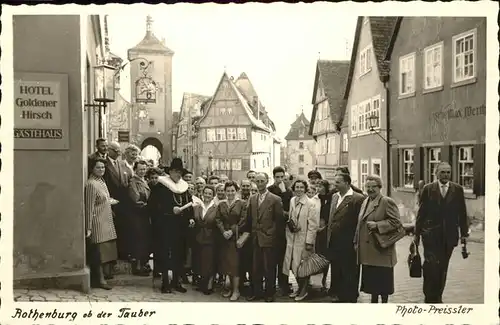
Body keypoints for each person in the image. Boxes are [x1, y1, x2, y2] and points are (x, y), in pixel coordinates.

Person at [414, 162, 469, 303]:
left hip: (449, 237)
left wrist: (464, 235)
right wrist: (417, 235)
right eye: (443, 172)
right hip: (430, 236)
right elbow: (421, 213)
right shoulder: (428, 189)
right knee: (430, 267)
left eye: (448, 172)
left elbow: (462, 214)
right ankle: (429, 296)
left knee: (442, 268)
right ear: (436, 173)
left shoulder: (457, 190)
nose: (445, 175)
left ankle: (438, 296)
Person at [148, 158, 193, 294]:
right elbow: (152, 206)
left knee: (179, 254)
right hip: (165, 226)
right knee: (165, 254)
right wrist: (168, 211)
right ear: (170, 172)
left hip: (180, 227)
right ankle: (165, 283)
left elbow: (189, 203)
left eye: (180, 172)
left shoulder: (184, 187)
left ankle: (176, 281)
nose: (178, 175)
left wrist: (190, 217)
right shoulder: (160, 186)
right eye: (175, 172)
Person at [355, 175, 402, 303]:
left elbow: (396, 222)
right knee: (372, 283)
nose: (370, 189)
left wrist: (378, 225)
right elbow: (360, 224)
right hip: (368, 250)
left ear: (380, 187)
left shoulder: (386, 201)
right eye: (367, 186)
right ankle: (374, 303)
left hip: (381, 249)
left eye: (373, 187)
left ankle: (384, 305)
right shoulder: (366, 201)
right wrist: (356, 241)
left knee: (383, 283)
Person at [245, 172, 285, 302]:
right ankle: (257, 292)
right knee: (256, 267)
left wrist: (271, 234)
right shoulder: (252, 199)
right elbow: (249, 220)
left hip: (269, 239)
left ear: (267, 181)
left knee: (269, 268)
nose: (260, 183)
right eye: (258, 181)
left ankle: (269, 293)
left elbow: (279, 221)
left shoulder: (275, 199)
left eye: (262, 181)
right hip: (255, 238)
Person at [327, 173, 364, 303]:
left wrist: (356, 241)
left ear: (347, 183)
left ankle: (351, 295)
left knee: (349, 270)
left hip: (349, 242)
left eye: (338, 182)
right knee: (337, 269)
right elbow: (331, 218)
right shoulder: (334, 197)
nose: (335, 184)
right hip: (334, 241)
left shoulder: (357, 199)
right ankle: (339, 294)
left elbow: (360, 223)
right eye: (335, 181)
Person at [282, 179, 319, 301]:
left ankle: (304, 291)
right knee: (293, 265)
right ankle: (299, 288)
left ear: (305, 189)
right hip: (292, 237)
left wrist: (309, 242)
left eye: (301, 187)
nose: (299, 189)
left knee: (302, 266)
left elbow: (313, 225)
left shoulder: (310, 204)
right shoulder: (293, 200)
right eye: (297, 187)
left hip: (303, 240)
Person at [85, 158, 118, 290]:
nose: (101, 170)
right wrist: (88, 226)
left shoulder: (101, 182)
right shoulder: (91, 184)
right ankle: (100, 280)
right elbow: (89, 206)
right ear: (92, 168)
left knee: (106, 251)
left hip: (106, 220)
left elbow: (103, 199)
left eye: (103, 167)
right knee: (99, 253)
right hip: (97, 222)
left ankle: (104, 276)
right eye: (98, 167)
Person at [215, 180, 247, 301]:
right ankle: (230, 288)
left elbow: (243, 220)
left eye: (232, 190)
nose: (230, 193)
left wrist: (232, 231)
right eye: (228, 191)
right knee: (227, 264)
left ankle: (236, 290)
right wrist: (223, 231)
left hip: (236, 237)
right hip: (224, 238)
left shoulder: (242, 203)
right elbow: (218, 219)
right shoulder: (221, 204)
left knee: (235, 265)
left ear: (236, 191)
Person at [103, 141, 133, 262]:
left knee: (122, 228)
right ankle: (113, 256)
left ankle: (122, 252)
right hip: (111, 201)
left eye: (119, 151)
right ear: (109, 150)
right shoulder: (104, 164)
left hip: (122, 202)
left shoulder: (120, 164)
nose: (118, 153)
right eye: (116, 151)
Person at [267, 166, 294, 296]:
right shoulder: (269, 190)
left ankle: (283, 284)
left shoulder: (288, 192)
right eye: (277, 177)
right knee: (272, 259)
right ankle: (271, 286)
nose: (279, 179)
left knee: (284, 260)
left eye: (281, 177)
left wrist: (284, 193)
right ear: (273, 177)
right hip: (272, 230)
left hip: (284, 230)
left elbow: (289, 210)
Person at [127, 160, 152, 276]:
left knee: (145, 239)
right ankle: (137, 266)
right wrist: (149, 204)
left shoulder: (145, 181)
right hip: (138, 215)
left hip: (145, 215)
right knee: (138, 239)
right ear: (135, 169)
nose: (142, 171)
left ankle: (143, 263)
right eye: (140, 169)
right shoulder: (133, 182)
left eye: (144, 169)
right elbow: (136, 199)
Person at [192, 185, 218, 295]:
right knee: (200, 261)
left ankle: (210, 285)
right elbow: (195, 219)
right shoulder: (197, 207)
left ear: (213, 196)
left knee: (209, 262)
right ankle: (202, 283)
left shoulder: (216, 208)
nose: (207, 195)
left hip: (211, 238)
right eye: (205, 193)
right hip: (198, 238)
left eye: (209, 194)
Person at [315, 179, 333, 292]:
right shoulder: (315, 199)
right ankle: (318, 282)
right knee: (318, 257)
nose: (318, 188)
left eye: (321, 186)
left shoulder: (330, 198)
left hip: (326, 231)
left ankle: (324, 280)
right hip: (317, 231)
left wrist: (325, 226)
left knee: (326, 257)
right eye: (317, 186)